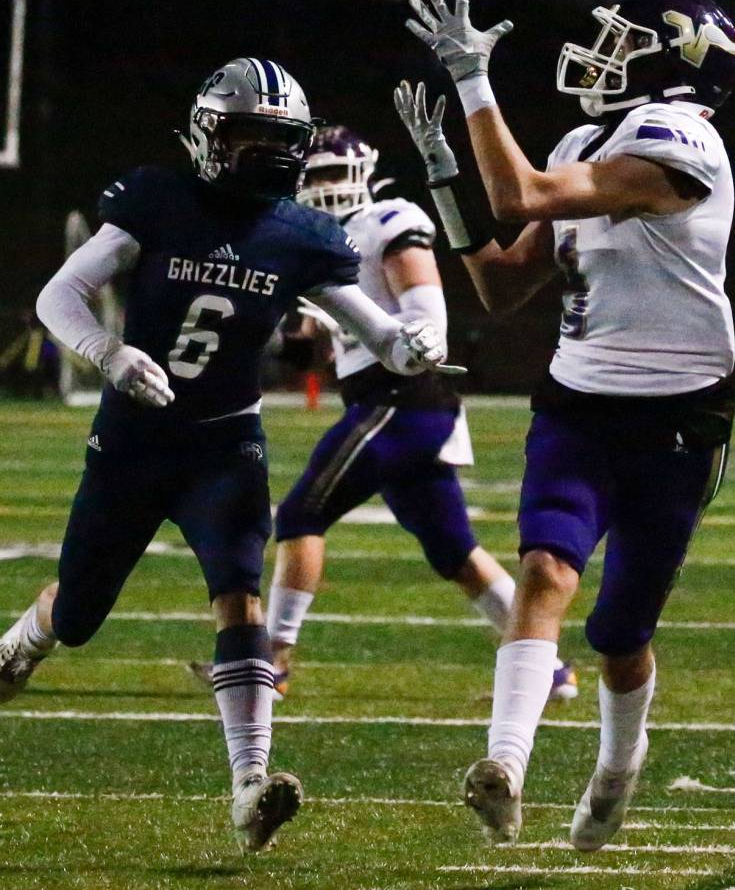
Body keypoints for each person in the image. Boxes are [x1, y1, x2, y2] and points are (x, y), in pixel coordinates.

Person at [0, 58, 453, 852]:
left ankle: (251, 783)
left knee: (240, 598)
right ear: (210, 132)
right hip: (133, 443)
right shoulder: (158, 199)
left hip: (225, 442)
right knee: (77, 614)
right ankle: (21, 643)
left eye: (281, 141)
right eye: (250, 136)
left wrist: (410, 344)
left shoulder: (301, 230)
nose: (268, 156)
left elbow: (375, 330)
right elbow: (57, 296)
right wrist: (108, 353)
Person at [398, 0, 735, 848]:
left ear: (675, 66)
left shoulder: (681, 141)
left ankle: (619, 764)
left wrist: (472, 81)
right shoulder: (590, 138)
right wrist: (444, 178)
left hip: (675, 418)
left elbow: (520, 196)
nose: (604, 54)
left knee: (619, 631)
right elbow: (504, 284)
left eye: (627, 41)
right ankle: (503, 766)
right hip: (579, 401)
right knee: (547, 570)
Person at [188, 124, 579, 701]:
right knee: (454, 551)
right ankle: (550, 671)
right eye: (313, 176)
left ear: (362, 173)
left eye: (331, 173)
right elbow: (307, 349)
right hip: (396, 404)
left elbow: (424, 312)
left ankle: (272, 662)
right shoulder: (319, 240)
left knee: (299, 516)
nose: (323, 187)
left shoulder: (387, 220)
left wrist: (401, 336)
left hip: (401, 397)